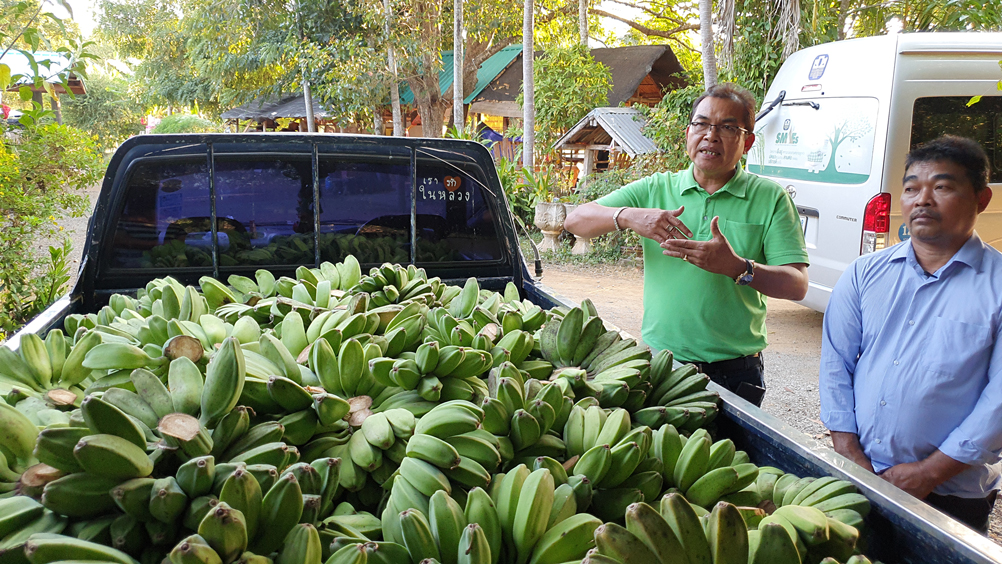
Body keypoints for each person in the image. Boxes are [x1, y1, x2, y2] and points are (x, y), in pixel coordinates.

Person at [564, 83, 809, 406]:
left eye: (727, 128)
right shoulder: (656, 189)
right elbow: (575, 220)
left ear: (747, 142)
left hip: (734, 372)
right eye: (702, 124)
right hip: (660, 365)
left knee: (726, 457)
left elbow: (797, 285)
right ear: (688, 134)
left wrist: (738, 268)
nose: (711, 135)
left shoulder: (770, 199)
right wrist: (628, 217)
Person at [819, 135, 1002, 534]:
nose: (923, 199)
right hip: (859, 474)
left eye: (942, 186)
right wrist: (848, 450)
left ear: (981, 199)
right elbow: (836, 362)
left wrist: (929, 472)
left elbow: (999, 401)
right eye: (911, 188)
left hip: (952, 494)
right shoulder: (864, 272)